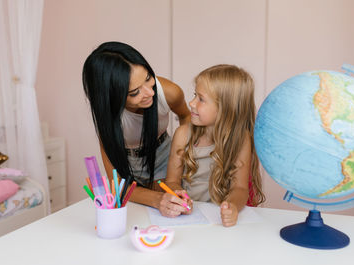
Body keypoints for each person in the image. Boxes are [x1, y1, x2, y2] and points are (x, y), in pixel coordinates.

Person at [82, 41, 191, 211]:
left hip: (165, 158)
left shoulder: (169, 92)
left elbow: (186, 117)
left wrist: (184, 156)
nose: (150, 92)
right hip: (128, 167)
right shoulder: (108, 117)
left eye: (148, 78)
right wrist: (157, 199)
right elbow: (117, 186)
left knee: (173, 208)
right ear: (112, 96)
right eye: (135, 92)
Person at [164, 64, 265, 226]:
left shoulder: (241, 139)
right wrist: (178, 195)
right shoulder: (182, 134)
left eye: (201, 99)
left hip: (218, 221)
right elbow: (171, 181)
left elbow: (240, 188)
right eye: (194, 95)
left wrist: (231, 206)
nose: (191, 103)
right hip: (188, 218)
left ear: (225, 108)